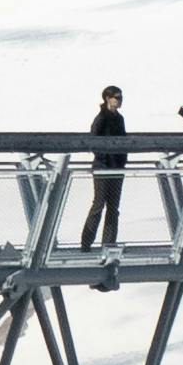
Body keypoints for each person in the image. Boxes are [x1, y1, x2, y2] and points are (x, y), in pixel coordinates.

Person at [82, 84, 127, 251]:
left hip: (116, 168)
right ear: (108, 98)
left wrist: (121, 161)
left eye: (121, 97)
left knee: (113, 207)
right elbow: (93, 141)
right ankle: (86, 243)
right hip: (103, 167)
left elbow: (124, 140)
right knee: (99, 203)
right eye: (117, 97)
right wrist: (104, 158)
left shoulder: (119, 119)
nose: (120, 101)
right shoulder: (101, 118)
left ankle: (108, 243)